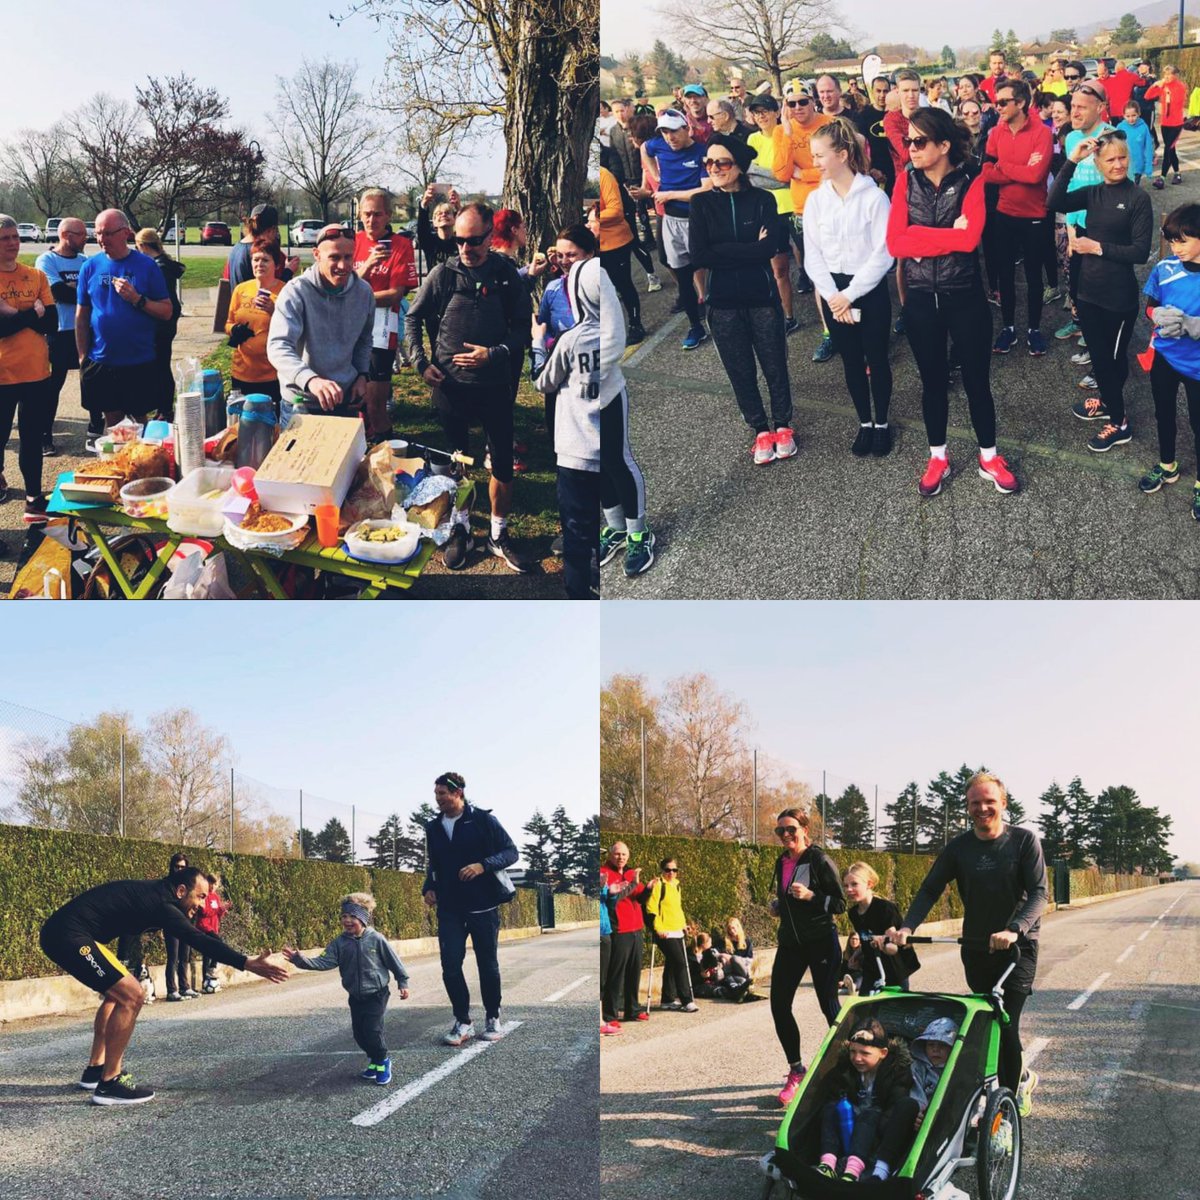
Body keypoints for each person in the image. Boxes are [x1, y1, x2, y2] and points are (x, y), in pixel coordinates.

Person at [38, 864, 287, 1104]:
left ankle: (95, 1070)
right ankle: (110, 1083)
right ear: (181, 891)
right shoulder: (162, 904)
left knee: (117, 994)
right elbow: (197, 939)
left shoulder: (157, 896)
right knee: (132, 995)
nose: (202, 905)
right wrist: (245, 962)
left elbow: (129, 922)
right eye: (200, 897)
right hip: (68, 935)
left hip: (72, 933)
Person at [887, 771, 1048, 1117]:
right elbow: (930, 889)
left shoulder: (1024, 841)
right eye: (975, 802)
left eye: (989, 801)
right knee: (983, 1022)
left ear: (1003, 803)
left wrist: (1014, 929)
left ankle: (1006, 1106)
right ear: (967, 806)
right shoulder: (959, 848)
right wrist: (907, 926)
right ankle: (1014, 1077)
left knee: (1005, 1022)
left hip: (1017, 949)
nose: (982, 808)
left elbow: (1039, 894)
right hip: (976, 947)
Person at [887, 108, 1020, 497]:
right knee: (932, 383)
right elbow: (894, 242)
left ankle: (989, 457)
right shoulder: (904, 181)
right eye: (908, 141)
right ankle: (938, 457)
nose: (911, 148)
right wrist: (944, 234)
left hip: (964, 295)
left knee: (977, 382)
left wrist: (918, 235)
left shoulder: (972, 180)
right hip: (920, 298)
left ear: (944, 145)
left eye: (919, 141)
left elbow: (969, 239)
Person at [404, 201, 534, 572]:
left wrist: (494, 353)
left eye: (474, 240)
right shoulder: (443, 274)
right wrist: (421, 363)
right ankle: (460, 529)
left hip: (495, 385)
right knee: (454, 463)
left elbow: (522, 328)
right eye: (459, 240)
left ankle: (498, 533)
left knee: (503, 465)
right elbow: (412, 318)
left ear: (491, 236)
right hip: (451, 387)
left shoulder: (505, 274)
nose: (465, 248)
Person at [689, 132, 797, 466]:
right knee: (740, 370)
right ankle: (760, 428)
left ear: (739, 166)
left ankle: (783, 425)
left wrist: (725, 250)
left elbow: (770, 248)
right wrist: (750, 248)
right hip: (722, 303)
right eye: (709, 162)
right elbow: (699, 255)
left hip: (762, 298)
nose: (714, 168)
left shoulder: (763, 200)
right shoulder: (701, 203)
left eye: (722, 163)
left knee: (775, 365)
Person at [1048, 128, 1153, 452]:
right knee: (1100, 358)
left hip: (1118, 298)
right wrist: (1072, 160)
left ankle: (1120, 423)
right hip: (1088, 293)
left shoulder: (1138, 198)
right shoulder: (1093, 193)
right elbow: (1054, 201)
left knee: (1111, 361)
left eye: (1122, 158)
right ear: (1098, 162)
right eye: (1110, 159)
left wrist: (1097, 247)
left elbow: (1139, 251)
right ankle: (1109, 403)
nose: (1118, 164)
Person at [804, 117, 895, 457]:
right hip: (834, 292)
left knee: (877, 359)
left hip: (867, 291)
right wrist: (833, 297)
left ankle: (882, 422)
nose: (814, 162)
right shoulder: (816, 200)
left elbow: (883, 253)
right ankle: (864, 422)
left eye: (819, 156)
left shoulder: (874, 199)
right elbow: (812, 254)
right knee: (851, 362)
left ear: (842, 155)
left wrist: (849, 295)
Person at [421, 771, 518, 1046]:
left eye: (443, 793)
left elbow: (511, 852)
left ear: (458, 793)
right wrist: (429, 886)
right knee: (450, 966)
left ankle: (493, 1017)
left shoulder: (483, 820)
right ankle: (463, 1021)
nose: (438, 799)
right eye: (436, 794)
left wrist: (482, 865)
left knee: (487, 965)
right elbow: (435, 863)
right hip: (450, 907)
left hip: (483, 904)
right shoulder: (433, 827)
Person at [531, 254, 601, 599]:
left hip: (576, 450)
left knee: (576, 530)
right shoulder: (614, 334)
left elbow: (542, 382)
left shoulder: (573, 339)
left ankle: (578, 595)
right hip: (608, 447)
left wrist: (537, 343)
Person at [283, 893, 410, 1085]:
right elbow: (324, 962)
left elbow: (394, 962)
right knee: (359, 1034)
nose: (347, 920)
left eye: (352, 916)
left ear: (363, 918)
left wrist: (403, 982)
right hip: (355, 996)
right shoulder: (339, 943)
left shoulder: (376, 939)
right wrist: (299, 960)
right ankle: (375, 1060)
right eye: (344, 916)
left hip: (377, 994)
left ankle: (383, 1061)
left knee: (372, 1030)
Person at [770, 808, 846, 1107]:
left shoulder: (819, 860)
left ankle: (847, 1070)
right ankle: (796, 1070)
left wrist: (812, 896)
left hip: (821, 942)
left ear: (805, 829)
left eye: (791, 829)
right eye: (780, 831)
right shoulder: (782, 861)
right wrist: (779, 906)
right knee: (779, 1005)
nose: (786, 835)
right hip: (791, 943)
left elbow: (840, 904)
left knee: (829, 1006)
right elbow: (790, 900)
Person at [75, 209, 173, 443]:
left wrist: (137, 299)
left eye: (108, 233)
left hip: (139, 360)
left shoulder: (147, 266)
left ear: (125, 233)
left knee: (140, 422)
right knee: (114, 424)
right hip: (102, 360)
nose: (102, 239)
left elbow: (167, 311)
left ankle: (143, 461)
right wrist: (82, 356)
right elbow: (82, 314)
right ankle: (121, 461)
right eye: (98, 233)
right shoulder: (90, 266)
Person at [267, 224, 373, 421]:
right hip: (302, 401)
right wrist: (311, 380)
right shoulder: (296, 291)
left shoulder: (364, 292)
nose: (343, 266)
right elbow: (278, 346)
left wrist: (362, 375)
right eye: (334, 257)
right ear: (316, 254)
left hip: (345, 399)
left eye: (348, 257)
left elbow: (364, 340)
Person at [982, 78, 1053, 357]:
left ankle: (1034, 329)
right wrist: (1016, 170)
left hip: (1035, 216)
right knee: (1005, 275)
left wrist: (1005, 167)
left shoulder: (1042, 132)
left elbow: (1035, 176)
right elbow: (987, 173)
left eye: (1003, 102)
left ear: (1021, 102)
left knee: (1034, 276)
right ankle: (1008, 328)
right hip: (1004, 214)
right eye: (996, 101)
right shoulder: (995, 132)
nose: (997, 107)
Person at [1139, 202, 1200, 520]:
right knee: (1163, 414)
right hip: (1165, 356)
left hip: (1198, 366)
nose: (1176, 248)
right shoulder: (1165, 268)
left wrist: (1194, 325)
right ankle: (1167, 465)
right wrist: (1156, 315)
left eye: (1183, 241)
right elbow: (1150, 305)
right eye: (1172, 241)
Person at [813, 1020, 920, 1184]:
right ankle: (827, 1163)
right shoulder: (845, 1068)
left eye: (865, 1053)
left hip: (879, 1129)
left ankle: (853, 1171)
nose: (857, 1058)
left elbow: (895, 1106)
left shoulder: (896, 1071)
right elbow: (833, 1093)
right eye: (853, 1051)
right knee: (830, 1108)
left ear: (883, 1053)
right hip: (849, 1124)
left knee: (870, 1113)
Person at [0, 214, 56, 525]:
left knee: (32, 439)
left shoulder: (35, 275)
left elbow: (52, 322)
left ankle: (34, 498)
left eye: (15, 237)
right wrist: (32, 313)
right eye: (4, 238)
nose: (12, 243)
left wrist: (13, 314)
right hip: (2, 375)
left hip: (36, 372)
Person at [639, 109, 710, 350]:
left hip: (697, 221)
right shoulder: (658, 145)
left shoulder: (701, 151)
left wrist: (669, 194)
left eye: (674, 131)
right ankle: (695, 326)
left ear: (686, 129)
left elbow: (705, 189)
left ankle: (721, 318)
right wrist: (654, 174)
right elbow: (644, 148)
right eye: (664, 132)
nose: (669, 137)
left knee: (710, 268)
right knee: (682, 276)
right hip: (671, 220)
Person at [353, 187, 418, 443]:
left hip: (381, 330)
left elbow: (394, 295)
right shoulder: (353, 242)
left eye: (378, 214)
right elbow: (341, 287)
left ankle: (387, 448)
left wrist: (356, 297)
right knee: (352, 397)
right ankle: (360, 446)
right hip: (350, 328)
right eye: (367, 214)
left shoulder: (400, 245)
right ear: (360, 214)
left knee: (375, 402)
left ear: (389, 215)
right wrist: (368, 266)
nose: (372, 220)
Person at [1055, 79, 1116, 347]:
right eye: (1073, 106)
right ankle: (1083, 327)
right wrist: (1070, 227)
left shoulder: (1113, 137)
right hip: (1077, 225)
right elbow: (1072, 184)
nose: (1075, 112)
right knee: (1078, 284)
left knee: (1103, 288)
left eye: (1082, 107)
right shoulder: (1072, 138)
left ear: (1100, 107)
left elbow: (1122, 187)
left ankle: (1101, 342)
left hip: (1105, 227)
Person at [777, 81, 835, 363]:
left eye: (803, 101)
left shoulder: (829, 124)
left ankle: (855, 326)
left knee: (843, 269)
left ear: (813, 101)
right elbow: (781, 173)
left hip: (834, 204)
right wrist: (788, 135)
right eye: (792, 103)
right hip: (804, 211)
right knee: (819, 275)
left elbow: (837, 166)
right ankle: (829, 332)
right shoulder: (782, 131)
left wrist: (804, 174)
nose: (798, 107)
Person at [746, 93, 801, 332]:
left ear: (777, 112)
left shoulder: (787, 134)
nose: (761, 116)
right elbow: (751, 176)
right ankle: (788, 317)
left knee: (809, 260)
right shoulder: (752, 139)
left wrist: (769, 174)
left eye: (765, 111)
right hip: (769, 210)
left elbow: (791, 174)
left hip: (795, 206)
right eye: (756, 113)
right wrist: (781, 176)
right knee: (779, 269)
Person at [34, 217, 88, 455]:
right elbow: (58, 292)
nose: (86, 238)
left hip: (84, 329)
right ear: (66, 235)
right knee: (53, 384)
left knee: (91, 377)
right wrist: (81, 291)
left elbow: (92, 291)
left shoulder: (85, 260)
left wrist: (77, 291)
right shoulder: (47, 260)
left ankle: (96, 425)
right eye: (81, 234)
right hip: (59, 331)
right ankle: (44, 434)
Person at [225, 237, 286, 408]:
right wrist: (234, 329)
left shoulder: (285, 291)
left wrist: (274, 311)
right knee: (242, 419)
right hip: (241, 372)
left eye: (265, 260)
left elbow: (293, 329)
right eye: (255, 259)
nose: (259, 264)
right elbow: (228, 323)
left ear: (276, 265)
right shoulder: (241, 289)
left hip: (271, 374)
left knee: (269, 420)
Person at [842, 861, 918, 994]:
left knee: (893, 1007)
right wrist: (856, 955)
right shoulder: (853, 913)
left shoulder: (884, 908)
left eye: (854, 884)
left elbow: (894, 948)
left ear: (869, 884)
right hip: (871, 969)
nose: (849, 889)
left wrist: (883, 943)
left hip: (893, 970)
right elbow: (866, 938)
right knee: (864, 1005)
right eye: (846, 885)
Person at [134, 227, 184, 420]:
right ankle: (163, 407)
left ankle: (164, 408)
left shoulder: (159, 268)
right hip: (166, 320)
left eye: (138, 246)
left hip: (161, 321)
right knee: (161, 364)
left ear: (143, 245)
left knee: (160, 366)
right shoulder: (163, 264)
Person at [600, 841, 647, 1025]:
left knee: (634, 972)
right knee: (616, 975)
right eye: (617, 854)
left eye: (624, 854)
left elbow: (640, 897)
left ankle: (632, 1009)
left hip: (636, 928)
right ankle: (610, 1015)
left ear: (628, 856)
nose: (621, 857)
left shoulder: (630, 873)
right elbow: (610, 899)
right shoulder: (604, 873)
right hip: (619, 929)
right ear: (611, 854)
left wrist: (649, 889)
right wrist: (627, 887)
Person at [599, 165, 645, 345]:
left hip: (615, 242)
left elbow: (616, 210)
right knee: (602, 291)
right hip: (593, 246)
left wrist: (594, 218)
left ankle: (635, 324)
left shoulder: (604, 175)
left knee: (623, 285)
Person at [644, 856, 698, 1013]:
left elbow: (677, 909)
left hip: (677, 931)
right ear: (662, 870)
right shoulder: (658, 885)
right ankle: (687, 1001)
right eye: (668, 870)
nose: (671, 873)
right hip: (664, 932)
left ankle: (667, 999)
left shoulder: (676, 885)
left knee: (672, 964)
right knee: (680, 963)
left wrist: (684, 925)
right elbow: (651, 908)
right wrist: (658, 929)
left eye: (674, 870)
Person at [227, 203, 297, 288]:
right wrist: (288, 272)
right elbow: (269, 290)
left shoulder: (235, 248)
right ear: (271, 230)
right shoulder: (260, 252)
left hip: (238, 296)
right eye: (276, 231)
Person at [1144, 65, 1188, 188]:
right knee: (1171, 149)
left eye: (1169, 74)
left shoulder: (1180, 86)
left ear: (1175, 75)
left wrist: (1167, 91)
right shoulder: (1163, 86)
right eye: (1165, 74)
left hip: (1176, 124)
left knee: (1168, 149)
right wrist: (1155, 85)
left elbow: (1176, 101)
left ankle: (1162, 178)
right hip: (1165, 123)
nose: (1166, 77)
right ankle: (1177, 173)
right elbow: (1147, 96)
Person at [853, 74, 896, 195]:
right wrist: (871, 169)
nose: (882, 95)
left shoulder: (895, 114)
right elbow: (860, 147)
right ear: (872, 91)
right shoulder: (863, 115)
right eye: (878, 91)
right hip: (874, 173)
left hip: (896, 171)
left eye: (885, 91)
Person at [909, 1017, 956, 1127]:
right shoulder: (917, 1067)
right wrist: (918, 1113)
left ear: (952, 1048)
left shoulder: (957, 1070)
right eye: (931, 1045)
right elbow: (916, 1091)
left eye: (942, 1045)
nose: (936, 1049)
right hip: (921, 1117)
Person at [162, 851, 196, 1001]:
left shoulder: (190, 885)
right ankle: (171, 990)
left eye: (182, 867)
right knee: (173, 958)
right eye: (177, 866)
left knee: (184, 957)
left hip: (186, 924)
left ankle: (184, 987)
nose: (179, 869)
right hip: (171, 925)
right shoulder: (166, 883)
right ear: (172, 867)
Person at [196, 873, 229, 992]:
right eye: (211, 883)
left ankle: (205, 983)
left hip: (214, 927)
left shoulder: (216, 897)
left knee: (207, 954)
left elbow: (217, 914)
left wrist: (223, 910)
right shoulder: (204, 896)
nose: (213, 886)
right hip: (204, 927)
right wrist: (217, 909)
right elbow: (204, 912)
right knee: (219, 943)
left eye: (215, 884)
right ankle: (212, 967)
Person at [417, 184, 461, 270]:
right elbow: (422, 227)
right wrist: (424, 203)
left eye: (448, 213)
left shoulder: (461, 242)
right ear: (434, 222)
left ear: (455, 218)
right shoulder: (429, 242)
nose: (443, 215)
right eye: (439, 213)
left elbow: (469, 229)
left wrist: (458, 207)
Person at [1117, 100, 1154, 183]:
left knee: (1133, 188)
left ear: (1139, 114)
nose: (1131, 119)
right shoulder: (1120, 127)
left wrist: (1148, 167)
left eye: (1134, 115)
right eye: (1128, 116)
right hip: (1123, 166)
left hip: (1138, 167)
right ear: (1123, 115)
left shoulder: (1143, 127)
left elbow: (1148, 148)